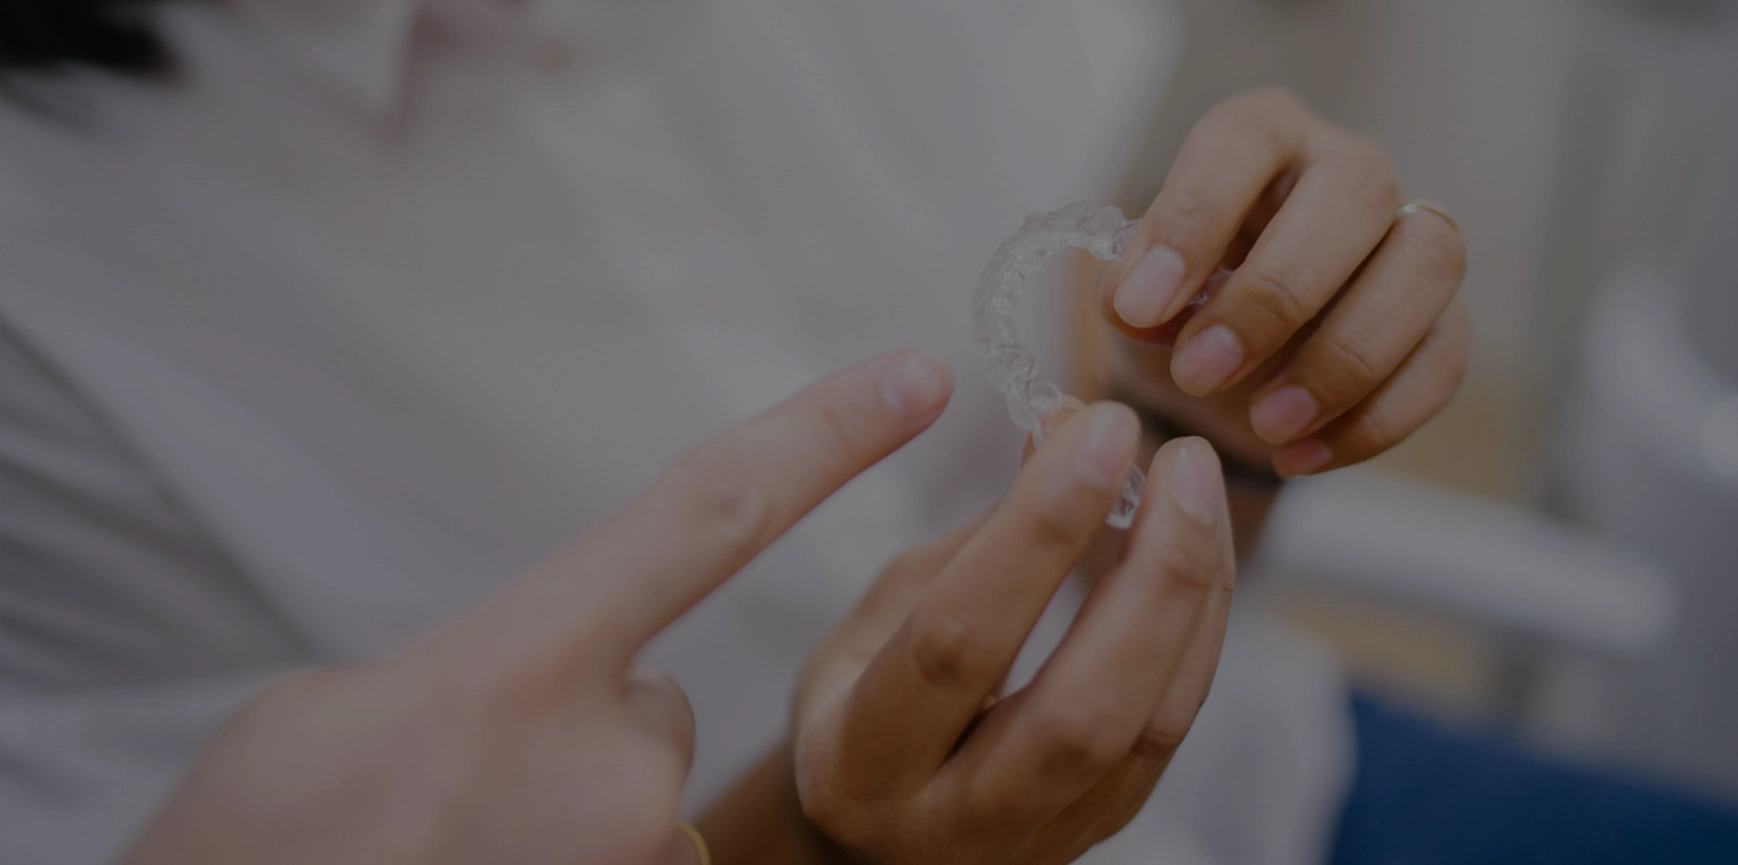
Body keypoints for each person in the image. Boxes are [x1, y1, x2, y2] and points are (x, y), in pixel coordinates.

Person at [0, 1, 1466, 863]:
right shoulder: (49, 303)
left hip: (1261, 792)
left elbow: (1128, 441)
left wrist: (1233, 406)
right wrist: (825, 839)